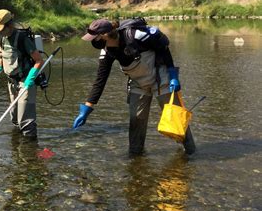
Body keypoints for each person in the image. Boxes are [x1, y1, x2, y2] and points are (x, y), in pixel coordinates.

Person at [72, 18, 196, 155]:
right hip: (138, 82)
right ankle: (135, 156)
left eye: (94, 38)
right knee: (136, 119)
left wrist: (173, 75)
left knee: (175, 117)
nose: (93, 42)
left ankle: (190, 152)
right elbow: (100, 79)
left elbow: (163, 49)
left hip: (161, 77)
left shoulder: (135, 35)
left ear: (105, 35)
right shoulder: (106, 51)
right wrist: (87, 108)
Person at [0, 9, 44, 138]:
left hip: (25, 81)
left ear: (10, 25)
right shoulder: (3, 39)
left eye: (2, 29)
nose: (0, 32)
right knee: (14, 117)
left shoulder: (22, 38)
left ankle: (29, 150)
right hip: (11, 82)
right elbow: (5, 57)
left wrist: (31, 77)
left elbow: (39, 60)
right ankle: (18, 144)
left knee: (25, 120)